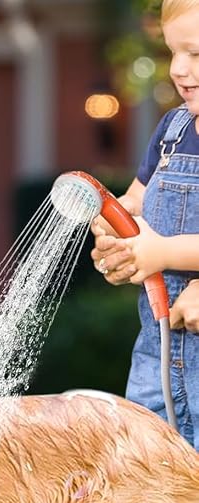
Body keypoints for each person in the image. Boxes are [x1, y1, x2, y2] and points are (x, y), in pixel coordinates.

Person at [90, 0, 199, 450]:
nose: (178, 69)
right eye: (172, 52)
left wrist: (161, 254)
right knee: (150, 476)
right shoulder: (173, 131)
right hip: (156, 354)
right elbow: (134, 203)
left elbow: (156, 247)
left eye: (196, 54)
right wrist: (113, 235)